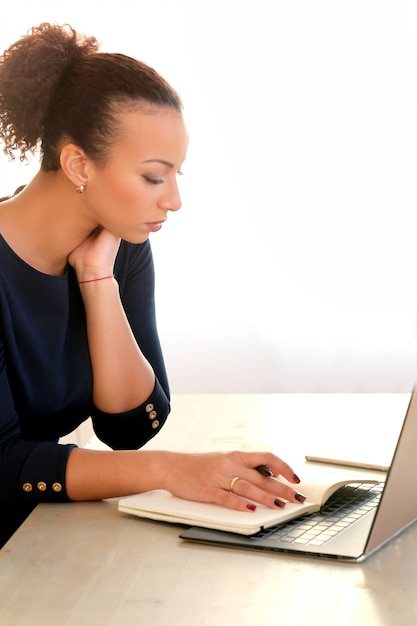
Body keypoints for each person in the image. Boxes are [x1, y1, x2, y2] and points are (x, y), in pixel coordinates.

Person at [0, 23, 305, 547]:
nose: (173, 201)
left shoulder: (119, 250)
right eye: (153, 176)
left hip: (37, 536)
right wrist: (170, 470)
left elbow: (131, 429)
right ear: (78, 164)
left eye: (176, 175)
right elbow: (4, 464)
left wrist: (98, 282)